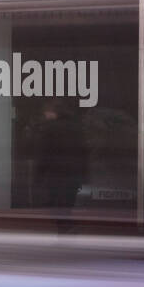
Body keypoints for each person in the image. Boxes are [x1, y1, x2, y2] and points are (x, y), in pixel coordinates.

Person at [33, 99, 86, 233]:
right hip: (73, 173)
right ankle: (67, 229)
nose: (45, 115)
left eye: (46, 113)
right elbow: (84, 151)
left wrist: (38, 176)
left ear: (52, 113)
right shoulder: (76, 126)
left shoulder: (50, 128)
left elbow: (43, 153)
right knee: (66, 204)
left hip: (56, 174)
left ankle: (66, 229)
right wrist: (84, 174)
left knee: (54, 204)